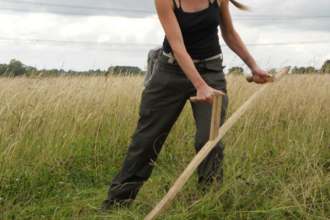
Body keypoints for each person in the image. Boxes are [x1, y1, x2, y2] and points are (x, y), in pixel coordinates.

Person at [102, 0, 270, 209]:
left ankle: (210, 201)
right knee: (146, 140)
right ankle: (117, 203)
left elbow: (228, 32)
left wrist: (253, 66)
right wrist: (200, 85)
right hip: (170, 72)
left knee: (209, 140)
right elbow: (178, 46)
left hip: (211, 71)